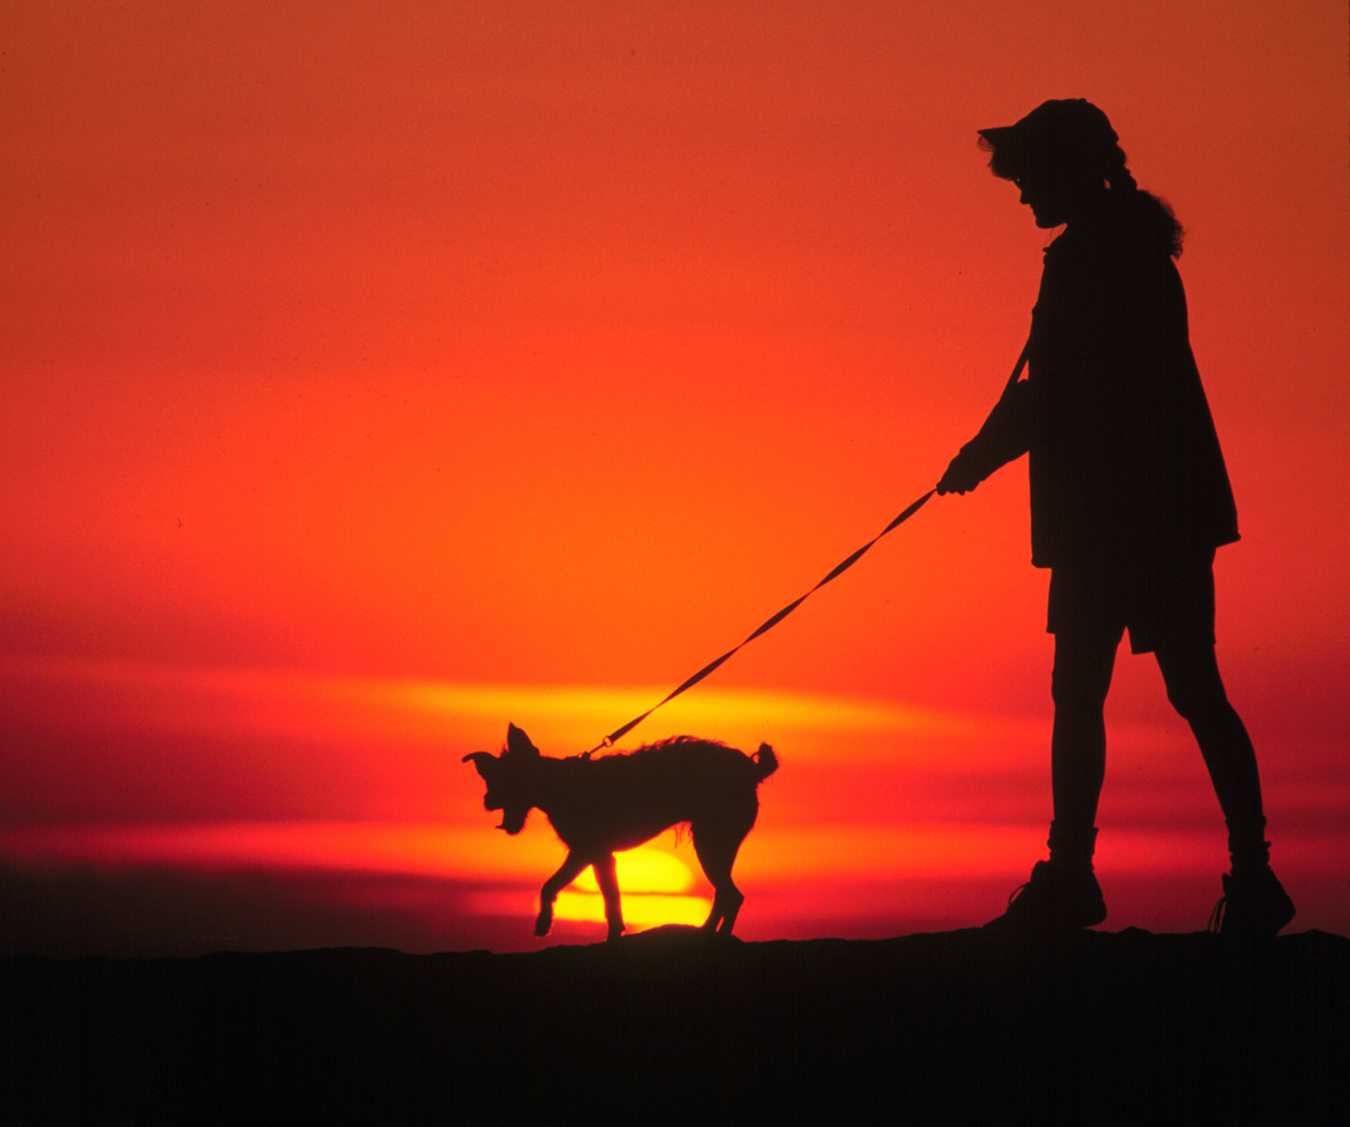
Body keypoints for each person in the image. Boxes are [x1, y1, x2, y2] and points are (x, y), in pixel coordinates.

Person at [937, 99, 1295, 937]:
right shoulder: (1122, 249)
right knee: (1163, 690)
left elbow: (1063, 394)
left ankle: (1086, 878)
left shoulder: (1095, 260)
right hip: (1146, 510)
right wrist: (987, 448)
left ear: (1065, 170)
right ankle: (1237, 875)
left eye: (1029, 182)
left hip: (1126, 515)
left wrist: (979, 456)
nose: (1025, 200)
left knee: (1132, 691)